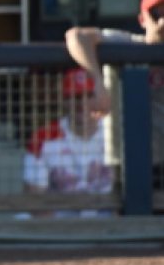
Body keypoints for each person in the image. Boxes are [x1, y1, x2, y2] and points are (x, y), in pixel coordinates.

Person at [64, 0, 164, 190]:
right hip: (132, 161)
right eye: (156, 13)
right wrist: (98, 83)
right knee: (134, 217)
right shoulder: (127, 44)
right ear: (142, 19)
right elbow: (76, 36)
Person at [21, 69, 115, 219]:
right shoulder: (43, 138)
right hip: (60, 221)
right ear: (64, 101)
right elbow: (35, 198)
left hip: (107, 220)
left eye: (89, 96)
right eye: (76, 97)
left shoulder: (115, 133)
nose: (83, 104)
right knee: (23, 218)